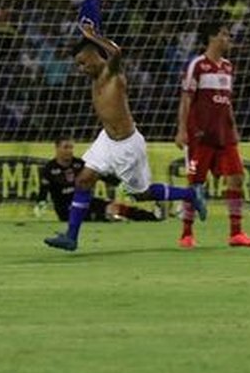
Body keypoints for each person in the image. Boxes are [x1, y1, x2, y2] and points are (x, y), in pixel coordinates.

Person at [44, 21, 206, 251]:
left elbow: (116, 52)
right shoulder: (95, 79)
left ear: (94, 56)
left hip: (127, 145)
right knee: (83, 180)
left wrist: (93, 35)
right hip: (107, 140)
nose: (81, 69)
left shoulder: (113, 74)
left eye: (82, 63)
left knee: (141, 194)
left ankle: (190, 193)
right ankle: (71, 237)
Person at [175, 21, 250, 248]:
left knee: (237, 177)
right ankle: (186, 233)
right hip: (201, 136)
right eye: (224, 35)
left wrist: (234, 128)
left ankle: (236, 233)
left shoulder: (228, 67)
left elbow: (226, 102)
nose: (228, 39)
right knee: (196, 184)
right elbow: (186, 98)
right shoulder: (197, 65)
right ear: (212, 38)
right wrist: (182, 130)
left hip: (225, 135)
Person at [36, 137, 162, 223]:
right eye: (65, 147)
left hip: (86, 200)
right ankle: (107, 218)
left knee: (115, 207)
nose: (69, 151)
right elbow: (44, 188)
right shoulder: (49, 168)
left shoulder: (79, 164)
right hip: (66, 208)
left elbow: (102, 175)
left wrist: (122, 185)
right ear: (57, 148)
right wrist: (41, 202)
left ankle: (151, 217)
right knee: (101, 216)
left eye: (71, 147)